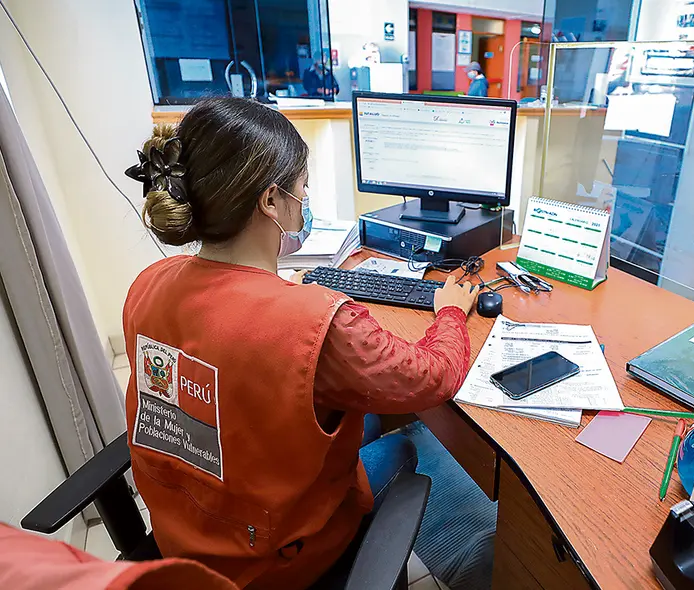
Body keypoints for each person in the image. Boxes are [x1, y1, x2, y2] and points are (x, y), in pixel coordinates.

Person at [121, 97, 478, 590]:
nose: (305, 198)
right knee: (405, 448)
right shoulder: (317, 323)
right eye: (303, 187)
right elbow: (434, 378)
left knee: (360, 416)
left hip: (185, 534)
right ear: (270, 201)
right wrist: (452, 311)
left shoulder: (148, 282)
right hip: (271, 562)